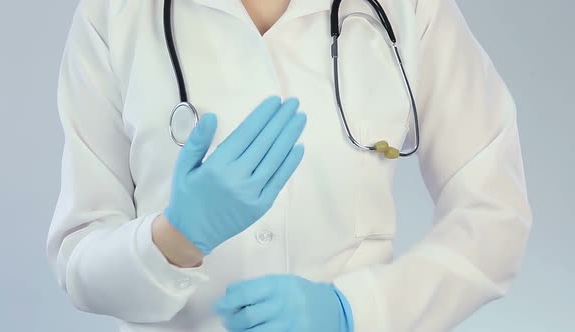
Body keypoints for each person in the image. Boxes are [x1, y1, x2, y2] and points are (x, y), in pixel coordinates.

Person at [46, 0, 532, 331]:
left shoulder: (410, 7)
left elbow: (495, 215)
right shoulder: (115, 13)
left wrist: (355, 311)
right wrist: (175, 240)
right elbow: (79, 260)